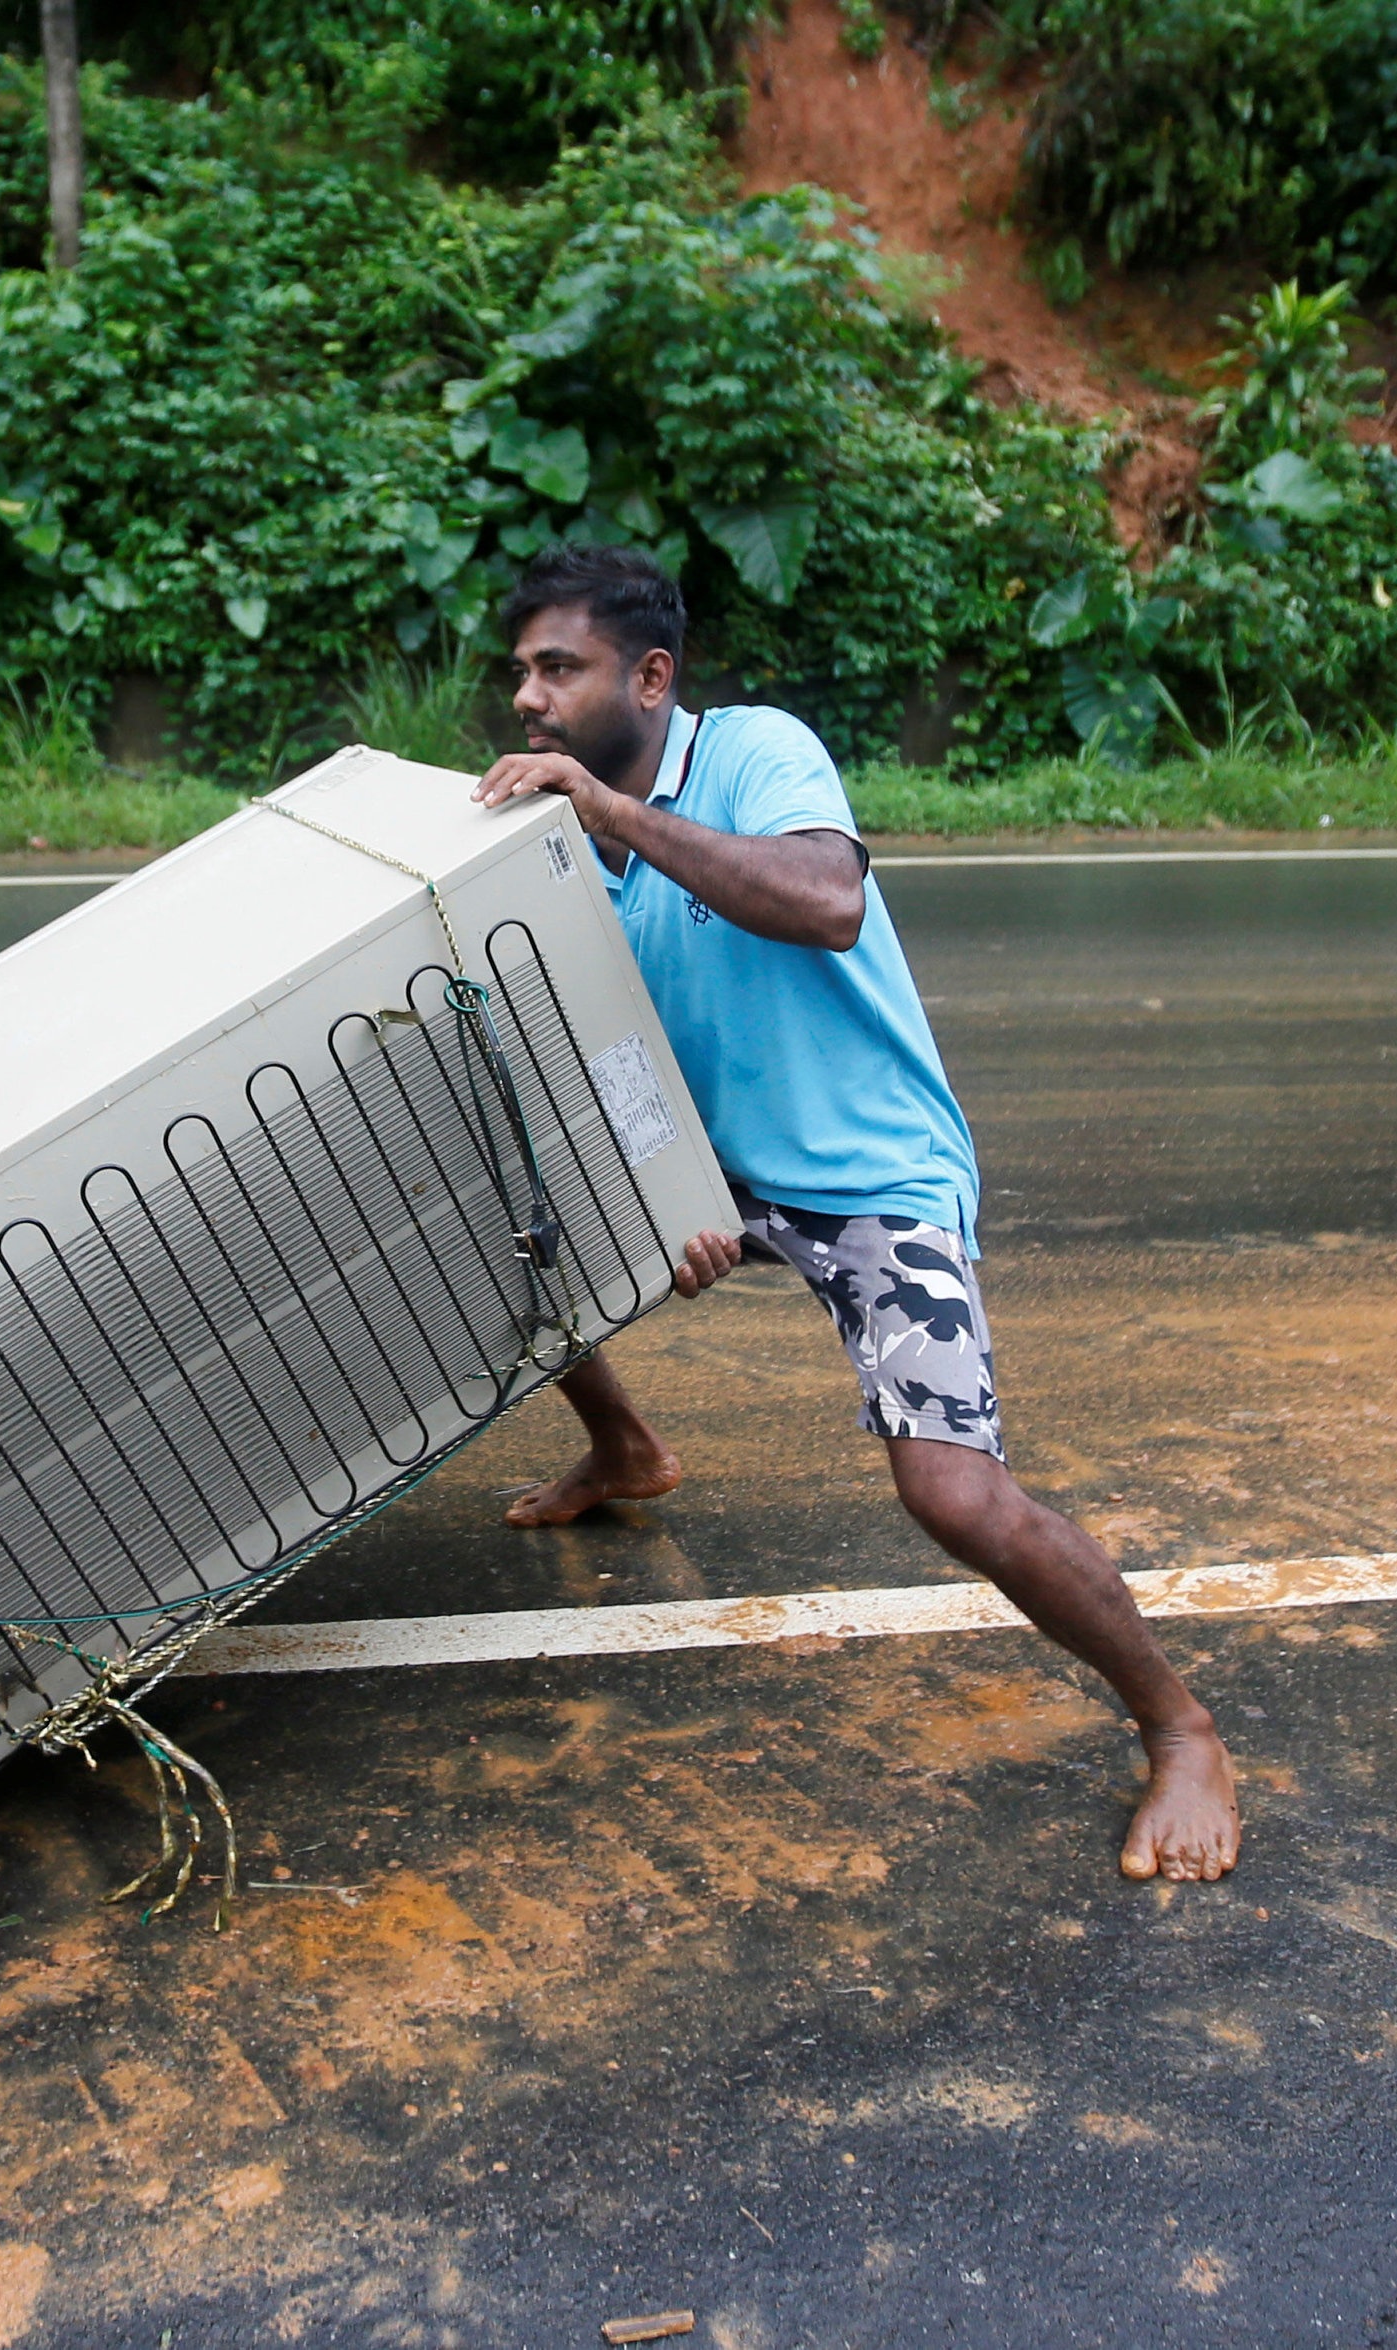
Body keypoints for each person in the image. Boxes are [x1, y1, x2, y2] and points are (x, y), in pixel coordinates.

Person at [473, 541, 1240, 1883]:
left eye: (558, 668)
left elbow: (825, 903)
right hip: (726, 1172)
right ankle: (627, 1443)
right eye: (520, 672)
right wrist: (667, 1200)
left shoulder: (760, 753)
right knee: (500, 1235)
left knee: (954, 1494)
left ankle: (1179, 1724)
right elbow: (608, 1044)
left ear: (649, 679)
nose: (527, 697)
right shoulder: (570, 849)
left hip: (869, 1173)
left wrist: (608, 810)